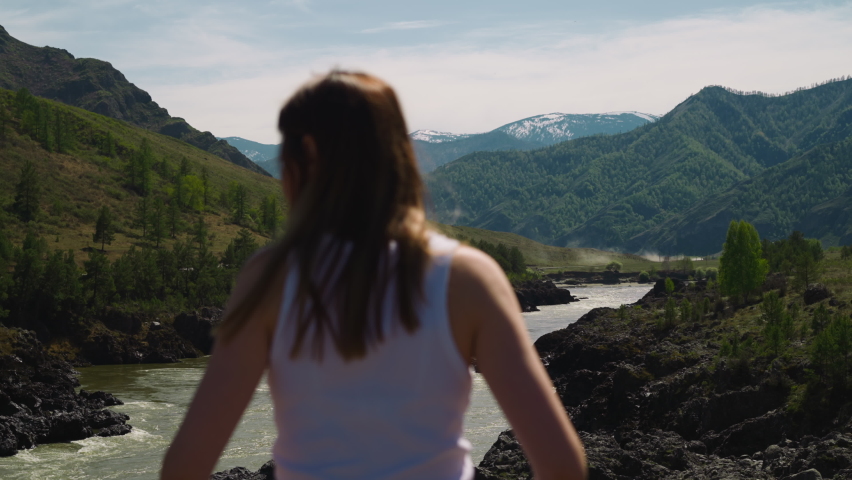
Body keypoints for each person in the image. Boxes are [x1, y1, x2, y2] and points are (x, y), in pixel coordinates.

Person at [160, 71, 586, 480]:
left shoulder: (270, 277)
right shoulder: (468, 277)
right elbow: (562, 467)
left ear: (302, 159)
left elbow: (184, 468)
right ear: (399, 159)